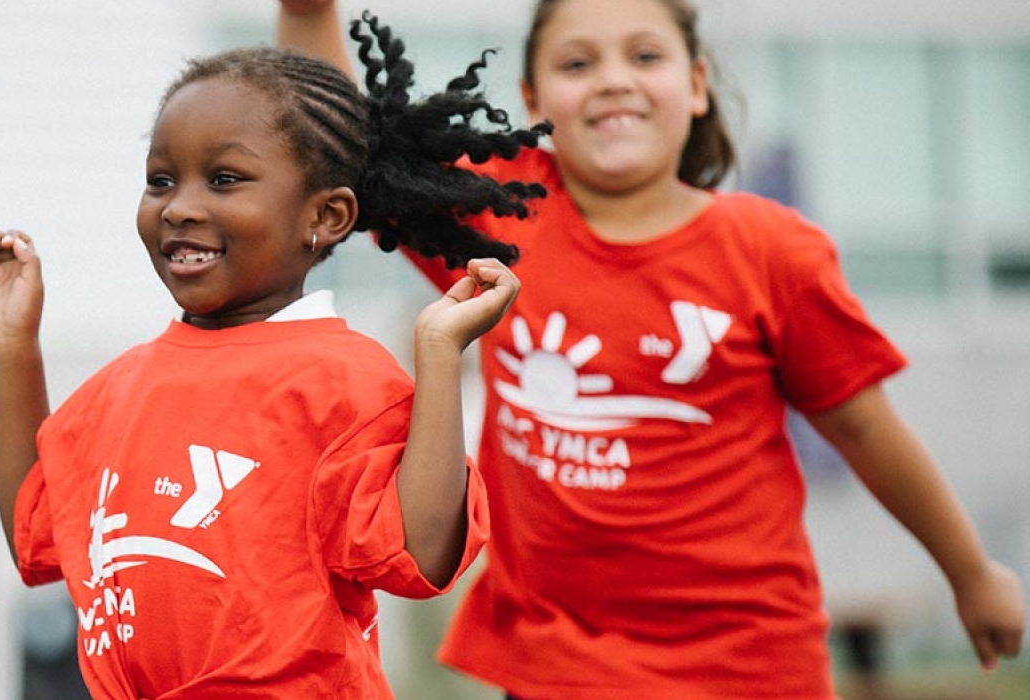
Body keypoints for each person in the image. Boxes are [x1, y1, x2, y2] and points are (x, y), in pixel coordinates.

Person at [276, 1, 1027, 697]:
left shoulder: (771, 252)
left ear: (696, 85)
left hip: (745, 667)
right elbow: (355, 152)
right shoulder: (501, 215)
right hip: (552, 665)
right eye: (577, 64)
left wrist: (969, 573)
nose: (612, 82)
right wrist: (305, 12)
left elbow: (866, 429)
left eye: (644, 56)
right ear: (533, 100)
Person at [0, 12, 547, 697]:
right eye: (161, 180)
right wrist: (11, 348)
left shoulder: (344, 376)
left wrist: (440, 353)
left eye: (224, 179)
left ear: (325, 217)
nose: (180, 206)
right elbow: (39, 534)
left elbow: (420, 555)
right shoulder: (119, 385)